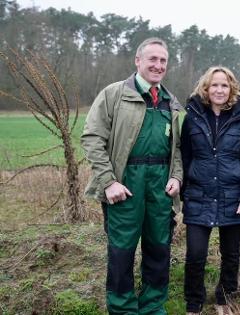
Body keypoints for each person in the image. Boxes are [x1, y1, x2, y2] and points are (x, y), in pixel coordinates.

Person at [81, 37, 182, 314]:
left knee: (159, 249)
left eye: (163, 60)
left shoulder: (170, 102)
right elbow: (91, 138)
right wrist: (109, 181)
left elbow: (177, 149)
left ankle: (152, 306)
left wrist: (176, 177)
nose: (158, 65)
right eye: (152, 59)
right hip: (125, 185)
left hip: (160, 187)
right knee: (122, 251)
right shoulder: (114, 94)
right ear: (138, 60)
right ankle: (122, 307)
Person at [181, 66, 240, 315]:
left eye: (224, 85)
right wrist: (182, 193)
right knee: (195, 254)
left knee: (231, 254)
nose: (219, 89)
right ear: (206, 87)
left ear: (232, 88)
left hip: (232, 196)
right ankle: (194, 302)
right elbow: (183, 156)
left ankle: (224, 299)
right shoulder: (192, 116)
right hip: (199, 195)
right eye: (214, 85)